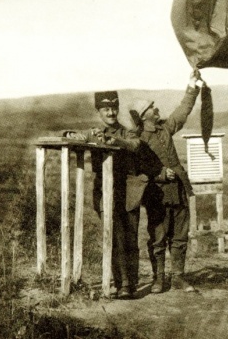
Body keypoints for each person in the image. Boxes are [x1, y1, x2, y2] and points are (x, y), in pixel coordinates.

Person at [63, 90, 142, 299]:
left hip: (128, 190)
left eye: (114, 108)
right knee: (114, 235)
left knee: (130, 237)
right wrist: (69, 135)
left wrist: (113, 141)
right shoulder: (94, 133)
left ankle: (132, 282)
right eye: (106, 109)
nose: (111, 112)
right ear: (99, 112)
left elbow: (135, 145)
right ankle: (122, 282)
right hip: (105, 191)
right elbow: (78, 139)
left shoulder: (127, 133)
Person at [130, 71, 201, 294]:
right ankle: (158, 279)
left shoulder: (164, 129)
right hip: (156, 194)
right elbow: (140, 168)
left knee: (180, 236)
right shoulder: (139, 139)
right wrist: (160, 175)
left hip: (179, 190)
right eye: (152, 107)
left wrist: (192, 88)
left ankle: (178, 278)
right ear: (144, 115)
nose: (156, 108)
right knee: (158, 237)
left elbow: (182, 112)